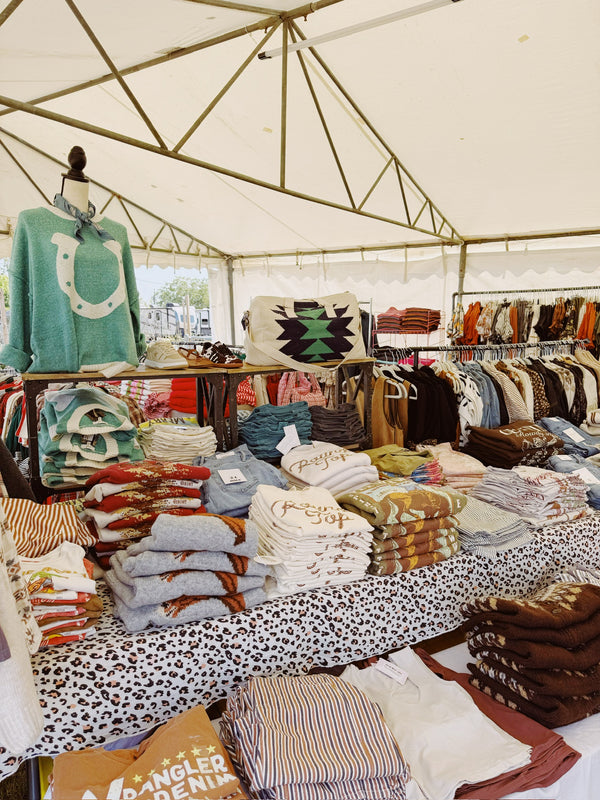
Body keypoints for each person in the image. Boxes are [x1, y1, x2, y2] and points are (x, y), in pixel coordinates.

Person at [0, 146, 146, 374]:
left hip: (118, 356)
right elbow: (20, 287)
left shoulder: (117, 231)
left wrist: (136, 344)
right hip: (58, 357)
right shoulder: (33, 223)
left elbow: (131, 296)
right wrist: (19, 351)